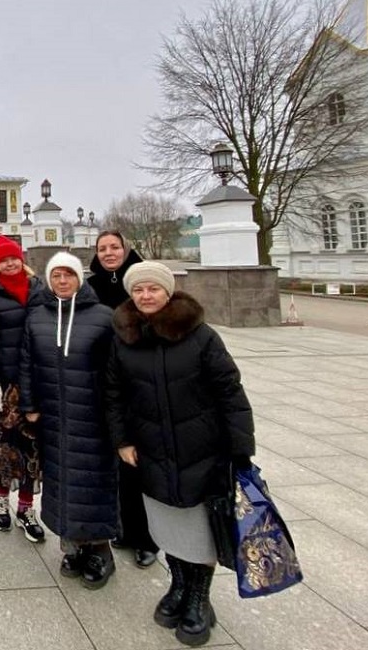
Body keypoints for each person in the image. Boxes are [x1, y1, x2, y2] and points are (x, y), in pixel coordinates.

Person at [105, 261, 255, 647]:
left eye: (153, 289)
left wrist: (240, 449)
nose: (146, 296)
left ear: (168, 292)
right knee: (168, 524)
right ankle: (179, 585)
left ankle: (199, 599)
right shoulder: (125, 338)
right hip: (151, 449)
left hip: (200, 448)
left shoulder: (201, 337)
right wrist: (122, 441)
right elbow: (114, 394)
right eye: (139, 290)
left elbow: (230, 393)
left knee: (200, 526)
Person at [19, 251, 119, 590]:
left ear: (79, 279)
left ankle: (101, 550)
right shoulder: (37, 318)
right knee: (61, 480)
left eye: (69, 275)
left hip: (92, 415)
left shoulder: (104, 317)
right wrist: (30, 404)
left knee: (93, 481)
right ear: (48, 281)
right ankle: (73, 545)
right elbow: (27, 364)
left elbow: (115, 371)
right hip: (53, 414)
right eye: (56, 276)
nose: (62, 282)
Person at [86, 229, 157, 568]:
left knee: (139, 462)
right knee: (113, 460)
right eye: (103, 248)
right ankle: (122, 527)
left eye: (114, 247)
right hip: (104, 380)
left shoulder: (142, 281)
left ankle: (146, 538)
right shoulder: (92, 285)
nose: (109, 253)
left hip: (139, 382)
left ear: (125, 249)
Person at [0, 235, 46, 543]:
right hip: (6, 385)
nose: (10, 263)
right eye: (4, 260)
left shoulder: (40, 289)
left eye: (14, 257)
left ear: (22, 258)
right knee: (5, 446)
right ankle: (1, 499)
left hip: (37, 381)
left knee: (32, 447)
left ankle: (27, 508)